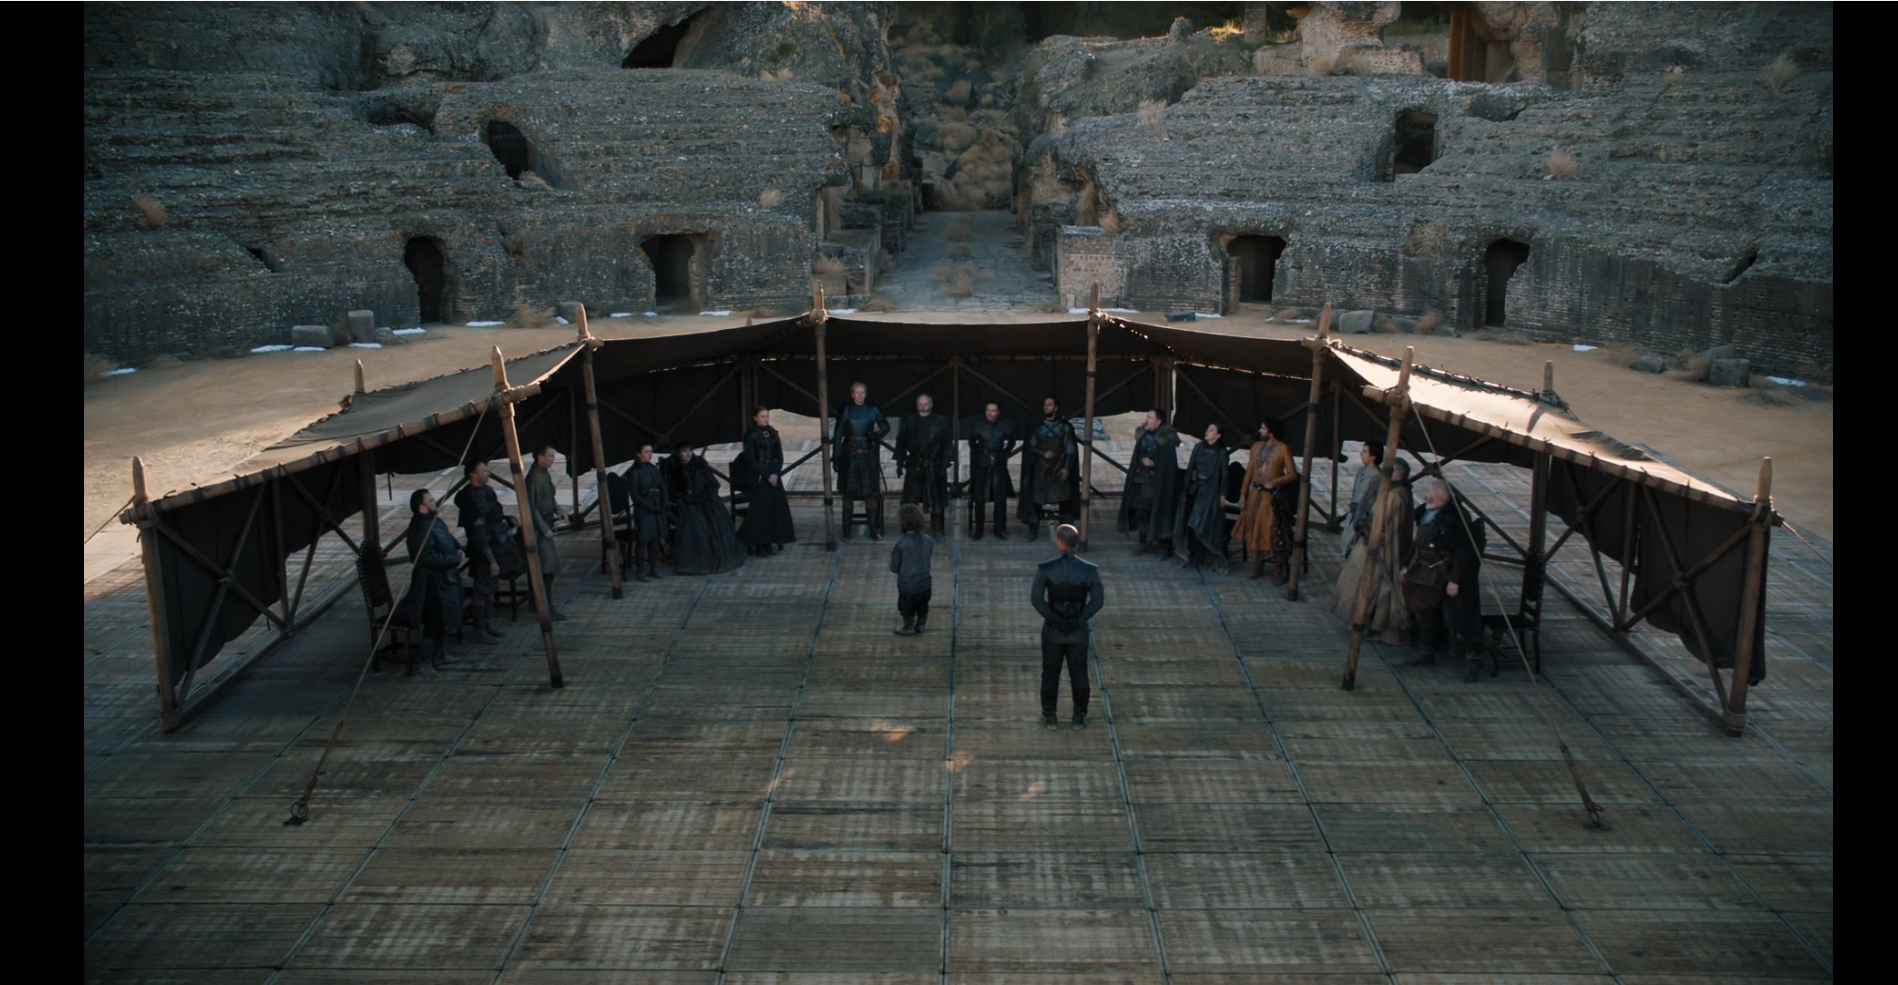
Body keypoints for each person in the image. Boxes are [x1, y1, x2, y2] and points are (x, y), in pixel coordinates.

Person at [1400, 476, 1484, 681]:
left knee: (1457, 619)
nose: (1426, 495)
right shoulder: (1427, 512)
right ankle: (1426, 652)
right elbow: (1418, 544)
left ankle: (1471, 659)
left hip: (1446, 575)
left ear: (1439, 497)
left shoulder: (1455, 519)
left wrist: (1455, 580)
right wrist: (1406, 566)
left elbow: (1463, 553)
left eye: (1430, 492)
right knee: (1424, 612)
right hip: (1425, 573)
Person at [1032, 523, 1105, 730]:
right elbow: (1097, 601)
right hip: (1077, 630)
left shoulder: (1046, 569)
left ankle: (1050, 717)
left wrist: (1054, 619)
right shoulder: (1089, 570)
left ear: (1059, 542)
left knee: (1050, 674)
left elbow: (1036, 599)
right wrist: (1079, 619)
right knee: (1079, 673)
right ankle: (1078, 717)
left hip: (1053, 630)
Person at [1331, 458, 1412, 641]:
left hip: (1380, 547)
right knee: (1357, 582)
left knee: (1371, 586)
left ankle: (1366, 623)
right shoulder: (1391, 491)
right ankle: (1358, 620)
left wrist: (1373, 535)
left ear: (1398, 474)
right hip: (1370, 541)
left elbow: (1388, 524)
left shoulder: (1396, 495)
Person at [396, 488, 463, 670]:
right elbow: (426, 556)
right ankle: (425, 662)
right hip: (430, 582)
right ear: (422, 507)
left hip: (443, 580)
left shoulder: (433, 521)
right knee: (434, 621)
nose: (435, 503)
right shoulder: (420, 528)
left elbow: (447, 537)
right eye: (431, 501)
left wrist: (457, 548)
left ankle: (440, 654)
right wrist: (453, 559)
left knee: (443, 619)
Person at [454, 460, 517, 643]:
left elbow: (494, 516)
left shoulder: (487, 491)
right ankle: (479, 629)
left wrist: (507, 519)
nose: (488, 473)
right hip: (483, 550)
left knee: (490, 589)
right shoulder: (472, 500)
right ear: (473, 475)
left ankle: (487, 624)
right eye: (484, 471)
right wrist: (490, 560)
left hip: (495, 544)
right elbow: (478, 533)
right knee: (481, 590)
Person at [1231, 418, 1299, 582]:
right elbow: (1249, 471)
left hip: (1271, 496)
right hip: (1255, 493)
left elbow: (1292, 474)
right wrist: (1243, 494)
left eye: (1263, 428)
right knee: (1254, 528)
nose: (1260, 431)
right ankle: (1258, 564)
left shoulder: (1283, 449)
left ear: (1271, 432)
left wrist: (1275, 481)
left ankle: (1278, 568)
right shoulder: (1256, 447)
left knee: (1272, 530)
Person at [664, 442, 745, 575]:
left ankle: (721, 557)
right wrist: (687, 498)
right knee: (696, 523)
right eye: (684, 451)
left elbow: (713, 483)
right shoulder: (674, 468)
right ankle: (699, 561)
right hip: (688, 502)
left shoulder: (699, 464)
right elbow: (670, 489)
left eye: (690, 450)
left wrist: (705, 496)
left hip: (705, 499)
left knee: (718, 517)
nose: (688, 454)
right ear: (679, 453)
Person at [1117, 408, 1181, 556]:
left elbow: (1169, 464)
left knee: (1161, 512)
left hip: (1157, 484)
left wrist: (1154, 464)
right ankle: (1144, 542)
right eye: (1147, 417)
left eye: (1150, 418)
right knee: (1141, 513)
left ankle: (1164, 546)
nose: (1147, 420)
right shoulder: (1143, 436)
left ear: (1158, 422)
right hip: (1140, 481)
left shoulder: (1165, 440)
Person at [832, 381, 890, 540]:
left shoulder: (872, 409)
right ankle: (846, 531)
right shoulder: (846, 409)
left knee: (870, 493)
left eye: (862, 392)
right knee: (848, 493)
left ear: (866, 393)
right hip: (849, 455)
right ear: (852, 394)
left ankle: (873, 529)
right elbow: (838, 434)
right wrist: (836, 457)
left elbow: (885, 426)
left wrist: (876, 436)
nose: (860, 395)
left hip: (868, 455)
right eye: (857, 392)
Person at [1171, 422, 1233, 572]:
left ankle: (1213, 555)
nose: (1207, 432)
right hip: (1196, 489)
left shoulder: (1221, 452)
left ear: (1218, 435)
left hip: (1210, 491)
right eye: (1207, 429)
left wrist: (1223, 494)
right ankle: (1194, 556)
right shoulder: (1199, 447)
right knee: (1191, 523)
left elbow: (1224, 474)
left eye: (1211, 430)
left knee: (1203, 524)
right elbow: (1191, 466)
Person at [735, 406, 795, 556]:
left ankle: (769, 542)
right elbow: (750, 460)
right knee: (761, 511)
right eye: (762, 416)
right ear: (755, 418)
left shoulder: (773, 433)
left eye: (767, 416)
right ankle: (759, 544)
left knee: (773, 510)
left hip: (773, 477)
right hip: (758, 477)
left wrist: (775, 474)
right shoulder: (750, 435)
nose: (765, 419)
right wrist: (767, 475)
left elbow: (779, 457)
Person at [1018, 396, 1078, 539]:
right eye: (1045, 404)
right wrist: (1043, 453)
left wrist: (1066, 468)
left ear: (1056, 408)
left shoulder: (1065, 427)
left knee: (1065, 500)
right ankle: (1033, 531)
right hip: (1040, 469)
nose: (1046, 407)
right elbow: (1030, 446)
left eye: (1049, 405)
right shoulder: (1037, 427)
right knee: (1036, 499)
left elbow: (1070, 448)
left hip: (1058, 468)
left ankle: (1066, 533)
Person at [897, 393, 953, 538]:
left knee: (936, 498)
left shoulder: (941, 421)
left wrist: (944, 464)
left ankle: (937, 529)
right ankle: (911, 528)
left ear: (931, 404)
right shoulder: (909, 421)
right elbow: (901, 442)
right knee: (911, 500)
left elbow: (947, 444)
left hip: (934, 465)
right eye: (920, 404)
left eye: (925, 404)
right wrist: (899, 463)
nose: (923, 407)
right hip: (914, 464)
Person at [524, 443, 568, 620]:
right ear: (540, 458)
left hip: (546, 522)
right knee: (546, 569)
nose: (552, 459)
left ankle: (540, 602)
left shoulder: (544, 473)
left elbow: (549, 496)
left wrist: (558, 509)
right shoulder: (533, 477)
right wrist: (543, 529)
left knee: (548, 569)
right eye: (550, 456)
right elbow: (531, 506)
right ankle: (544, 606)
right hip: (539, 528)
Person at [963, 400, 1016, 540]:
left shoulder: (1004, 426)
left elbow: (1011, 442)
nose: (990, 413)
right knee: (979, 498)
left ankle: (999, 529)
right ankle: (978, 529)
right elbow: (972, 441)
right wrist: (979, 455)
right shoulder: (979, 425)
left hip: (998, 464)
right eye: (988, 410)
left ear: (998, 412)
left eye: (993, 410)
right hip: (982, 463)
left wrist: (1003, 454)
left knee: (1000, 498)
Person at [889, 503, 936, 636]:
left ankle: (908, 626)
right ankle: (921, 624)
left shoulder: (901, 544)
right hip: (925, 582)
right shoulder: (928, 540)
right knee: (923, 606)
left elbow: (894, 566)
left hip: (908, 585)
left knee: (906, 608)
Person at [625, 443, 670, 582]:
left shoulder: (653, 469)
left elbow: (662, 486)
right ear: (639, 454)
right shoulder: (634, 472)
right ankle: (640, 571)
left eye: (650, 452)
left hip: (656, 505)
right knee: (643, 540)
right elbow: (635, 496)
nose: (649, 454)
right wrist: (650, 507)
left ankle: (653, 568)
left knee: (655, 540)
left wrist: (664, 502)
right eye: (646, 452)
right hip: (644, 510)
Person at [1343, 441, 1387, 552]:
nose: (1361, 454)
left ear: (1373, 456)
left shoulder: (1377, 476)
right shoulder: (1361, 471)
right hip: (1354, 512)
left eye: (1365, 452)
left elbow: (1371, 500)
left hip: (1364, 516)